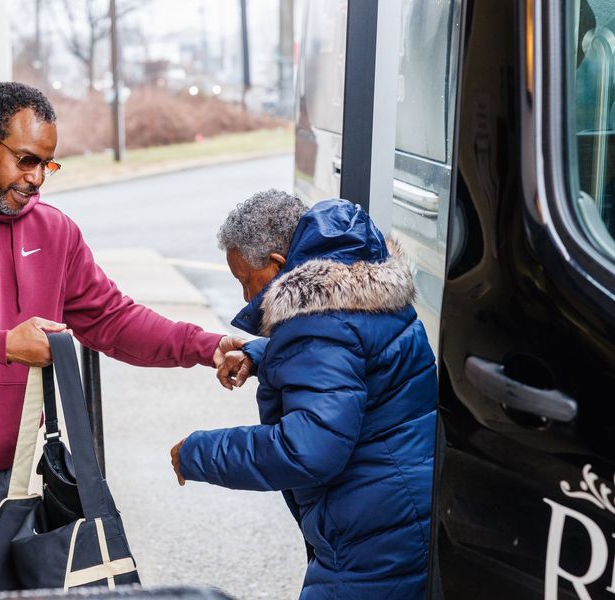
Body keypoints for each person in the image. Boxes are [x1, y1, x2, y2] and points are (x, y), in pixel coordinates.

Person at [0, 81, 244, 597]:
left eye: (47, 165)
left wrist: (204, 346)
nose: (36, 178)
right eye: (25, 159)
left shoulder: (55, 233)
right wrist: (4, 346)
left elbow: (113, 318)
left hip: (0, 481)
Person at [171, 192, 437, 599]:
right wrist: (260, 354)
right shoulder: (353, 278)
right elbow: (353, 355)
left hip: (376, 529)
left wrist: (198, 453)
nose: (245, 297)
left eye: (246, 280)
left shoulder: (317, 319)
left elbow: (306, 450)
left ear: (278, 264)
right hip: (404, 500)